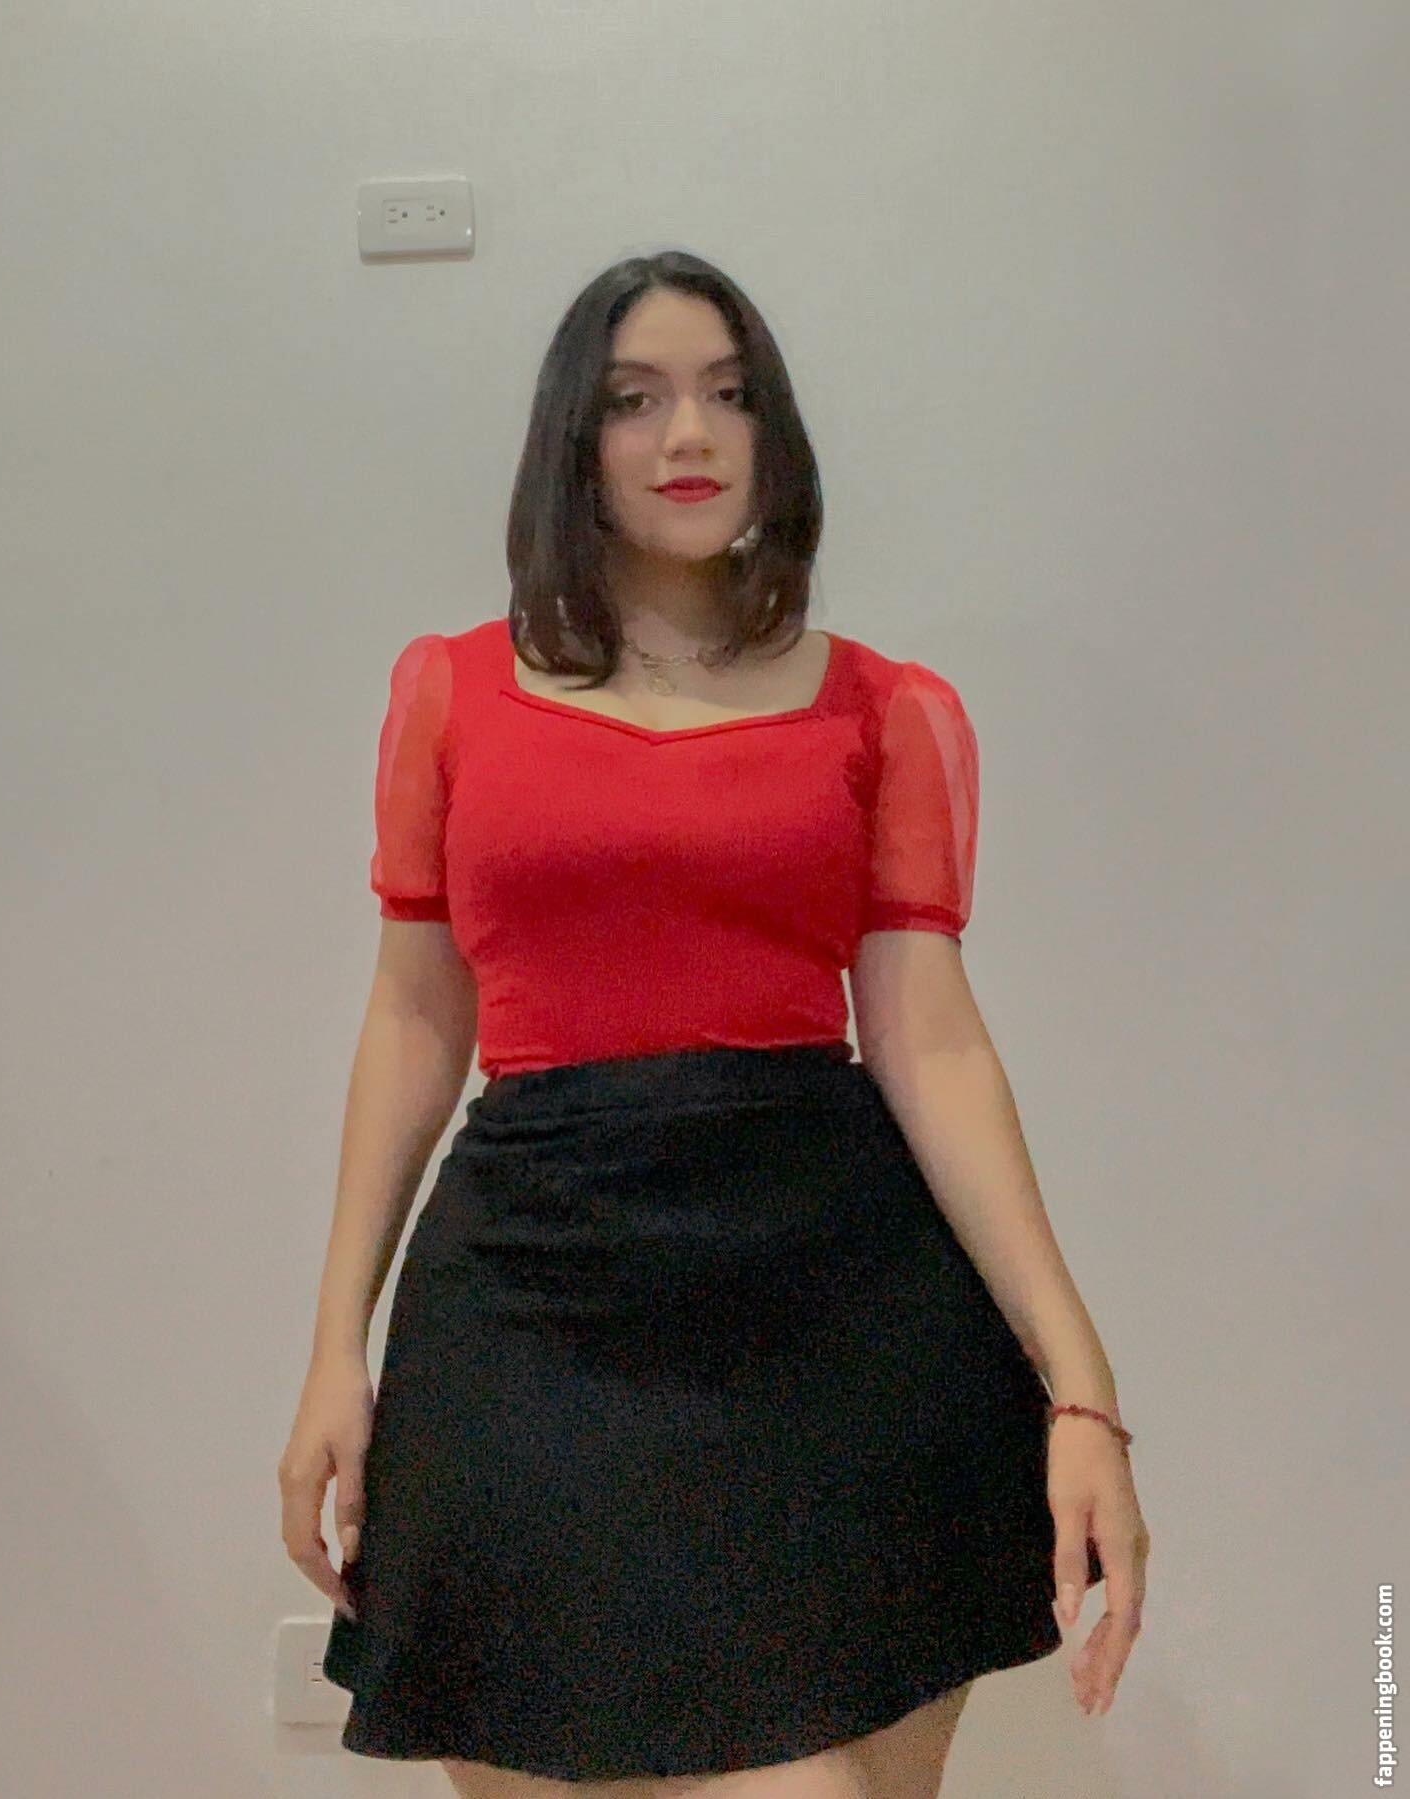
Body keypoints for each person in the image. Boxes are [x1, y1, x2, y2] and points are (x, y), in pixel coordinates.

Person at [277, 250, 1151, 1799]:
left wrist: (1080, 1386)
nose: (690, 434)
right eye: (637, 400)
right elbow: (415, 1013)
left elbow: (933, 1040)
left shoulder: (882, 708)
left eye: (729, 396)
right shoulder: (453, 694)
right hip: (531, 1298)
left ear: (774, 433)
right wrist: (333, 1351)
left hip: (827, 1301)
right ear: (574, 439)